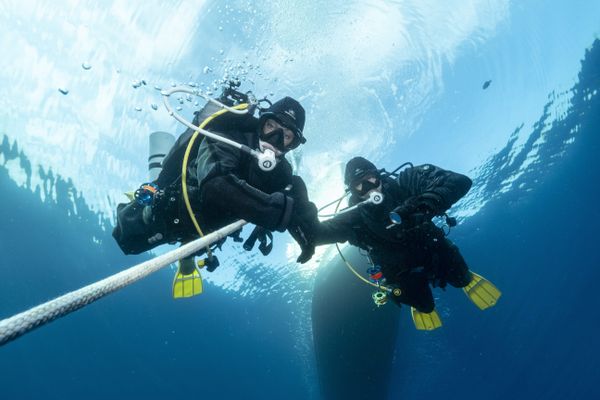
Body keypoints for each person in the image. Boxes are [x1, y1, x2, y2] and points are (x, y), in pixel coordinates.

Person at [112, 89, 317, 298]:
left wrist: (307, 228)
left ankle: (189, 250)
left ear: (292, 145)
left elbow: (294, 192)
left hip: (208, 233)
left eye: (286, 135)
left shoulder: (281, 173)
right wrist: (279, 213)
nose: (274, 138)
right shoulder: (226, 135)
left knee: (197, 243)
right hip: (175, 211)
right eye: (271, 126)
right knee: (126, 240)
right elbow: (215, 185)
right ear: (261, 124)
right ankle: (154, 185)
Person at [306, 156, 500, 329]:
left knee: (462, 278)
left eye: (370, 179)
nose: (368, 188)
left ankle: (463, 279)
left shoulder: (405, 183)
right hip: (400, 272)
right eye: (359, 185)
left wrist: (424, 204)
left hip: (432, 250)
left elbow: (459, 181)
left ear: (378, 175)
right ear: (352, 190)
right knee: (425, 306)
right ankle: (405, 297)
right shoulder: (352, 218)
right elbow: (318, 234)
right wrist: (297, 218)